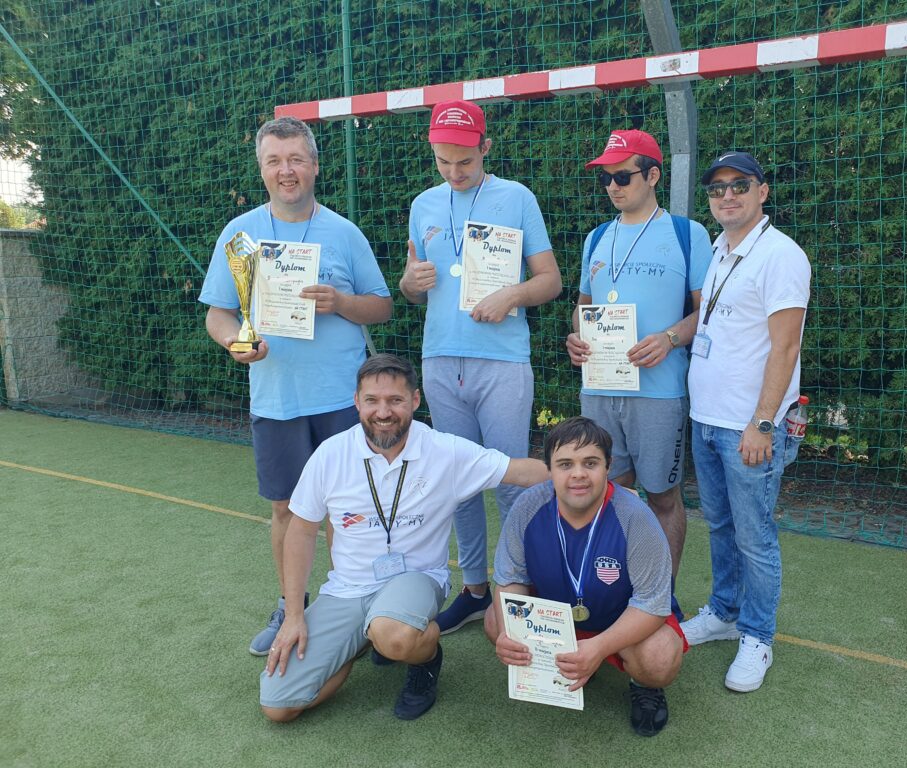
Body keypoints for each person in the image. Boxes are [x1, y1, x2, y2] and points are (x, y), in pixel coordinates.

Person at [259, 354, 550, 722]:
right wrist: (293, 617)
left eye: (395, 400)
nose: (383, 412)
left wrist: (585, 476)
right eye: (372, 400)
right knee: (279, 706)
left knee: (392, 633)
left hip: (417, 578)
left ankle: (425, 658)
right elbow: (300, 532)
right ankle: (360, 638)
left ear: (414, 400)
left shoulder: (445, 450)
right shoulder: (330, 454)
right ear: (357, 402)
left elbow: (521, 472)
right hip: (347, 589)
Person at [199, 116, 393, 656]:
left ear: (314, 165)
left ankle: (368, 611)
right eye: (274, 161)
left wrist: (341, 302)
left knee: (353, 510)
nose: (286, 171)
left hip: (341, 399)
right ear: (262, 169)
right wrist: (235, 342)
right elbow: (218, 314)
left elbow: (381, 305)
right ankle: (292, 608)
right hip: (278, 399)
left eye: (296, 159)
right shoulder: (239, 235)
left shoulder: (344, 233)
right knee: (286, 510)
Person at [400, 99, 562, 633]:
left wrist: (511, 294)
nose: (454, 172)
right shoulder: (423, 204)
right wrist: (410, 284)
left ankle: (520, 588)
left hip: (502, 362)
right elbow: (413, 285)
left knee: (512, 481)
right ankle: (474, 590)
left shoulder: (517, 198)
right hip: (441, 360)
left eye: (465, 161)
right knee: (458, 482)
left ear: (485, 148)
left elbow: (551, 280)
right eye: (444, 162)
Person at [681, 151, 811, 692]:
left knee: (755, 537)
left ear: (762, 191)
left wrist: (762, 423)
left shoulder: (780, 255)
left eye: (739, 185)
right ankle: (724, 612)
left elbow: (785, 348)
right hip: (707, 419)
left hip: (748, 427)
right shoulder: (720, 251)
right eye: (717, 189)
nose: (727, 195)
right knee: (720, 525)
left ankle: (757, 636)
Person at [565, 129, 713, 580]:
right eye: (605, 178)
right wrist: (576, 337)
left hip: (659, 392)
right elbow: (583, 308)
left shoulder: (688, 234)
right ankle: (612, 589)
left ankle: (660, 599)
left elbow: (706, 312)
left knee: (663, 498)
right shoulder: (596, 237)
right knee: (605, 493)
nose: (613, 186)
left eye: (623, 177)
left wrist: (669, 338)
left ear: (652, 176)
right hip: (600, 388)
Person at [484, 416, 687, 737]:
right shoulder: (528, 507)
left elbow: (652, 605)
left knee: (658, 658)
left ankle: (643, 685)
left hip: (620, 621)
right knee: (497, 621)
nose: (578, 473)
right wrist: (511, 633)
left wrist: (599, 647)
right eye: (565, 464)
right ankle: (567, 659)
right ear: (549, 469)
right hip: (554, 620)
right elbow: (511, 580)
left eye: (590, 463)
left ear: (608, 467)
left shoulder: (635, 517)